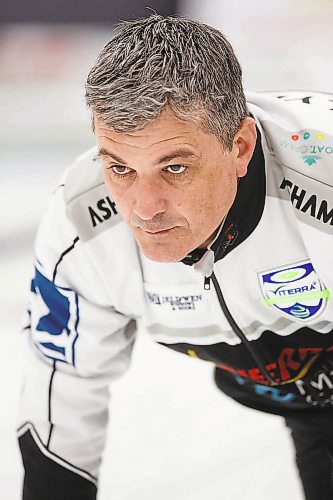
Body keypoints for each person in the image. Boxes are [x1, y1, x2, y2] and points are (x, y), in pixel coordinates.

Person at [18, 14, 333, 500]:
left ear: (241, 146)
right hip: (304, 401)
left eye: (176, 167)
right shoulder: (82, 229)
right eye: (119, 167)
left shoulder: (324, 185)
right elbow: (63, 400)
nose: (143, 208)